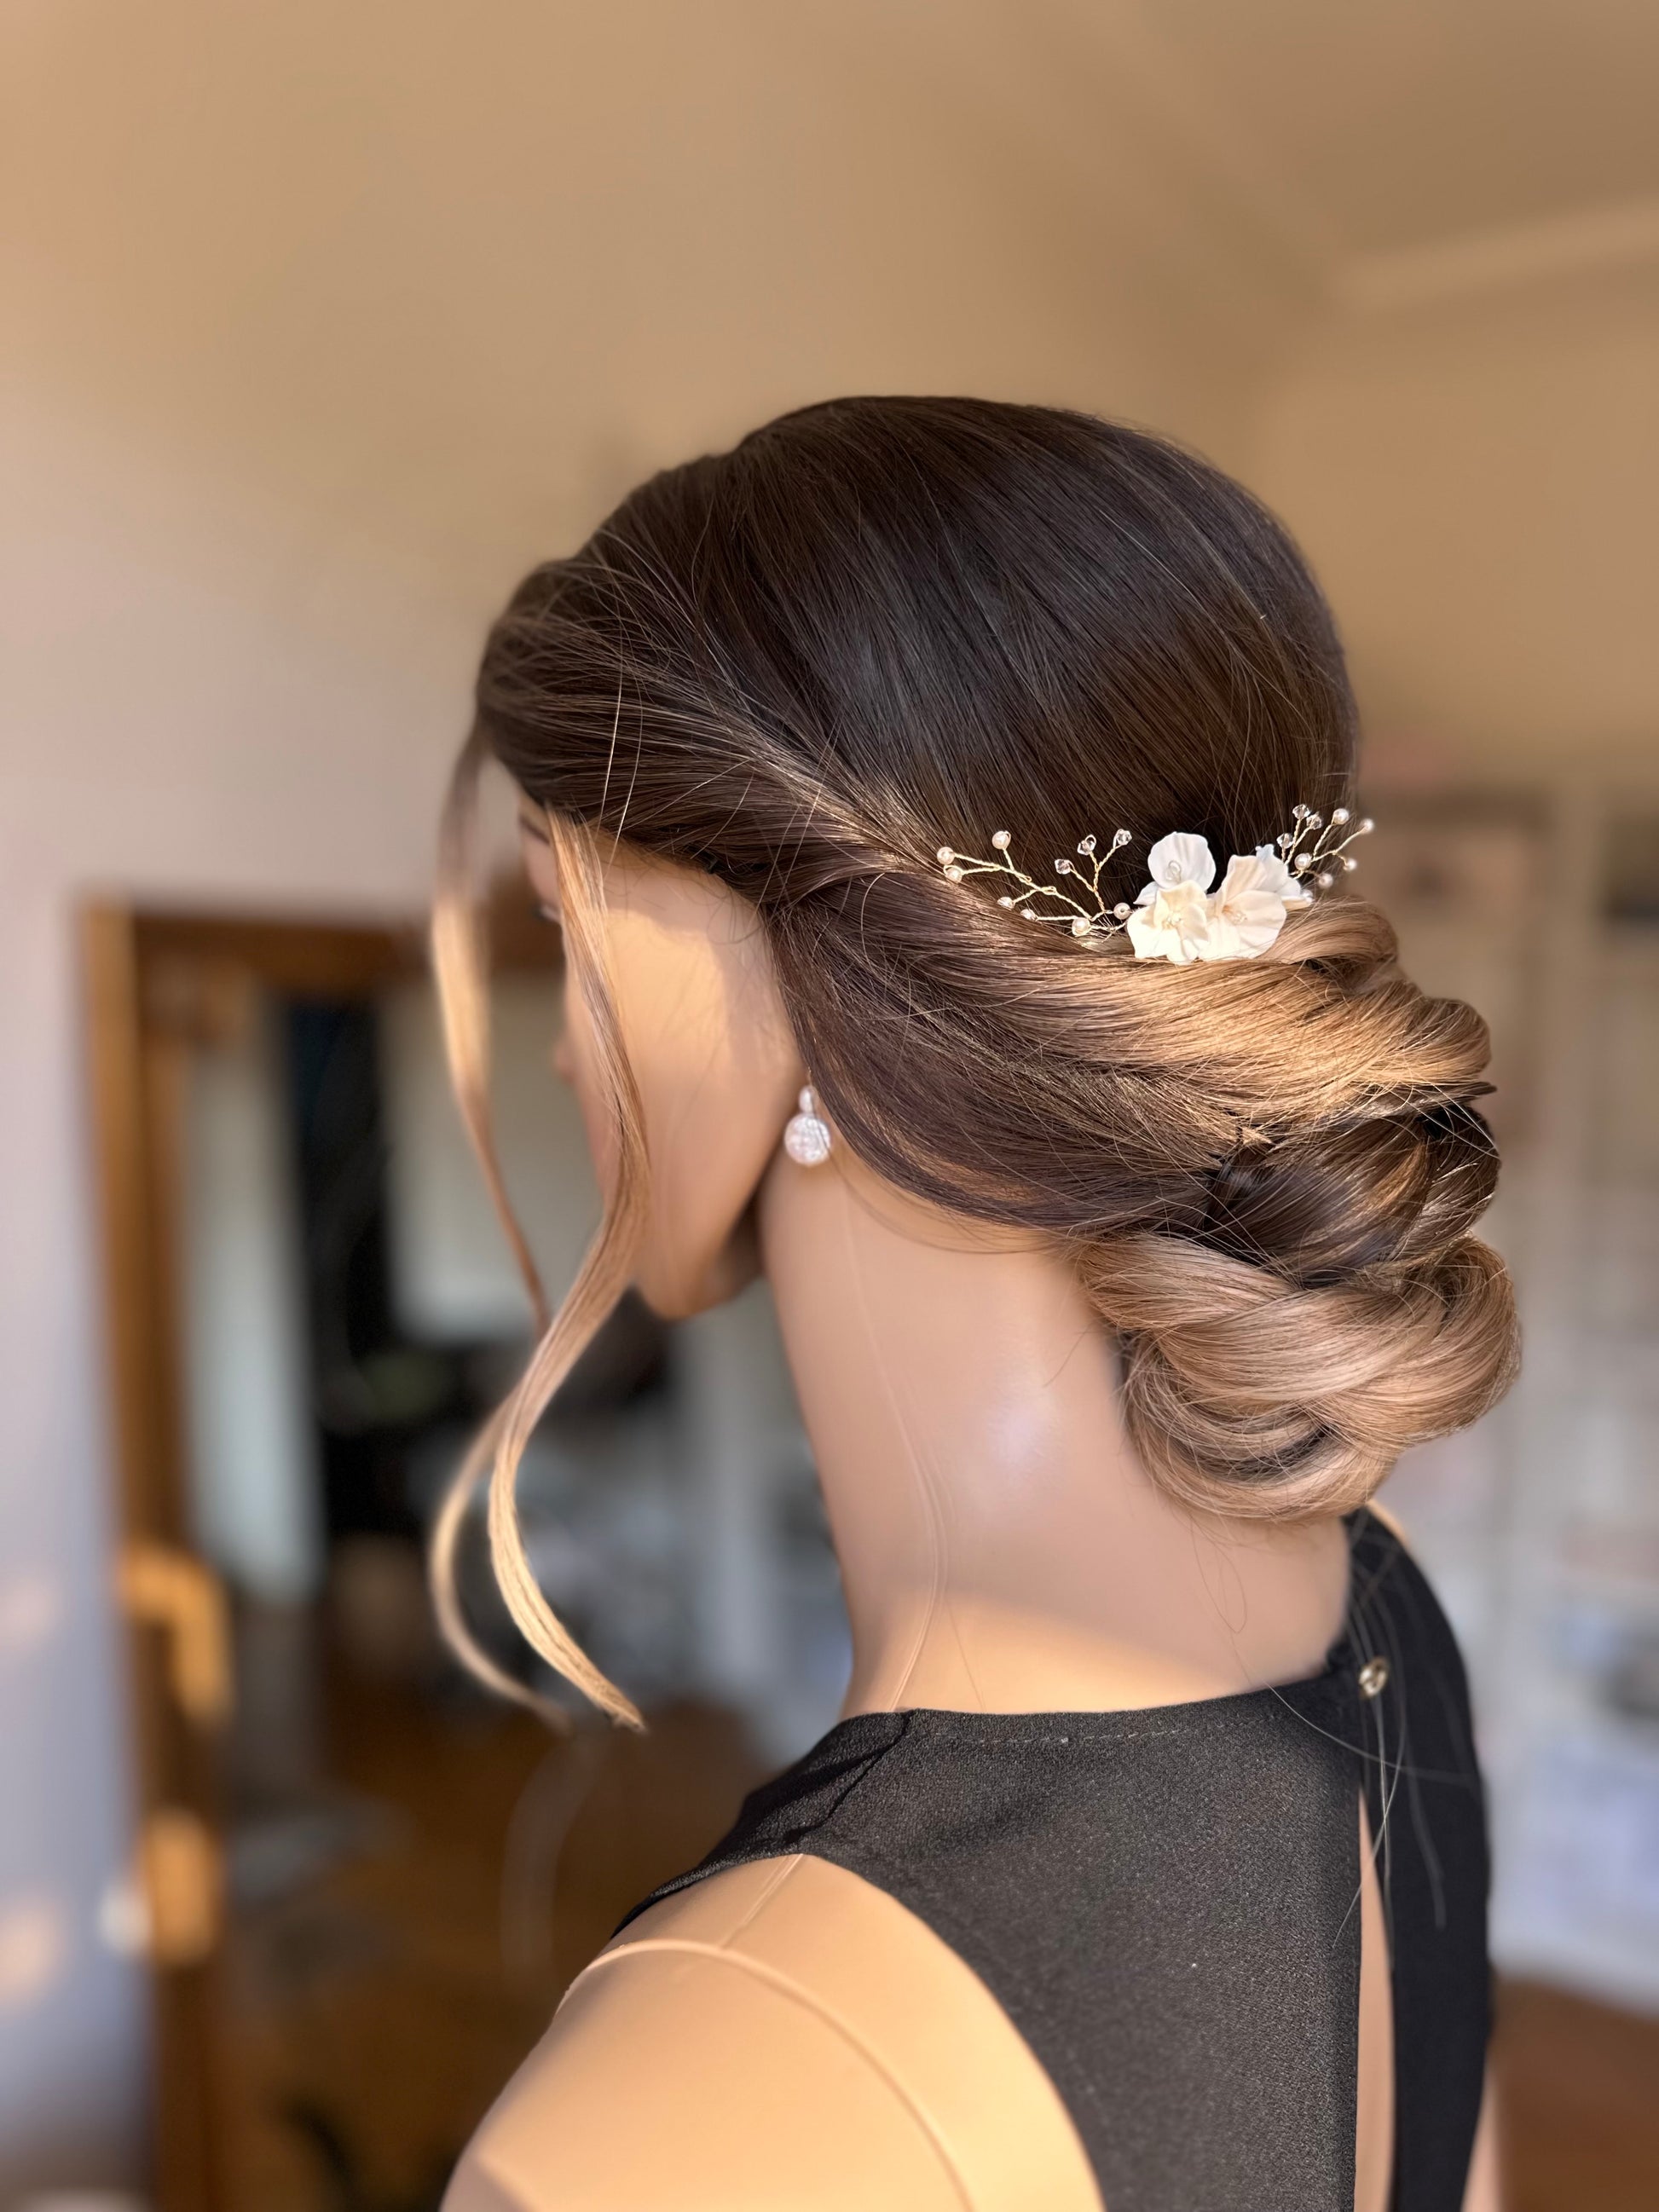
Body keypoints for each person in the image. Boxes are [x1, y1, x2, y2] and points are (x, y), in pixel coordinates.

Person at [434, 398, 1516, 2212]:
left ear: (767, 973)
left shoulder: (702, 2103)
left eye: (563, 922)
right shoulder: (1383, 1602)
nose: (558, 1046)